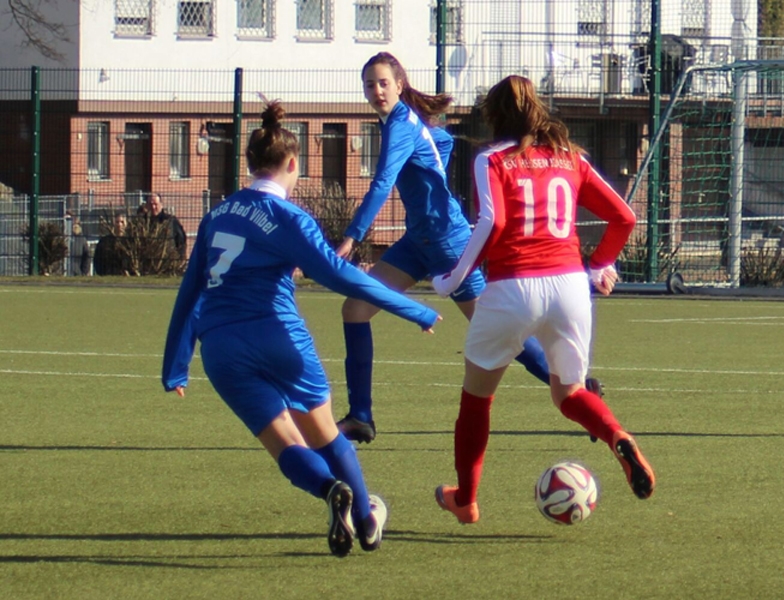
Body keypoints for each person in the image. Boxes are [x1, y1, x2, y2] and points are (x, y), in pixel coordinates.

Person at [162, 99, 441, 556]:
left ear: (250, 164)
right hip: (279, 336)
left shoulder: (216, 215)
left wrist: (175, 367)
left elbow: (191, 291)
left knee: (284, 442)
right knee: (325, 432)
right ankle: (367, 520)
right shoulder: (289, 218)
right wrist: (414, 309)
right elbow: (340, 275)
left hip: (221, 346)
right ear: (293, 164)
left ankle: (330, 491)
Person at [431, 75, 655, 524]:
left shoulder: (492, 158)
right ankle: (616, 436)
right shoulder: (570, 157)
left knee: (477, 398)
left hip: (513, 287)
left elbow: (492, 223)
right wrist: (598, 266)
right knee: (569, 392)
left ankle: (467, 499)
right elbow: (625, 217)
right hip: (569, 287)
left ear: (494, 117)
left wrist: (453, 278)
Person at [335, 52, 577, 444]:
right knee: (356, 309)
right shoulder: (405, 122)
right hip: (418, 240)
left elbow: (382, 182)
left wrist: (352, 236)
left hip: (447, 241)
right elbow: (442, 142)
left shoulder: (401, 124)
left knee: (501, 331)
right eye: (369, 84)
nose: (377, 90)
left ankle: (577, 389)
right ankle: (360, 416)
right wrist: (434, 172)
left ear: (399, 84)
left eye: (383, 83)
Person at [145, 193, 187, 259]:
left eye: (155, 204)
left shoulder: (170, 220)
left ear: (161, 205)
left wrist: (180, 257)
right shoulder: (143, 222)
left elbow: (181, 239)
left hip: (168, 259)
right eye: (150, 204)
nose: (153, 207)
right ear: (146, 206)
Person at [93, 212, 130, 276]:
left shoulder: (130, 242)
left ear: (126, 224)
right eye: (117, 222)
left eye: (122, 222)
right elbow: (97, 260)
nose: (119, 225)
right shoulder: (104, 242)